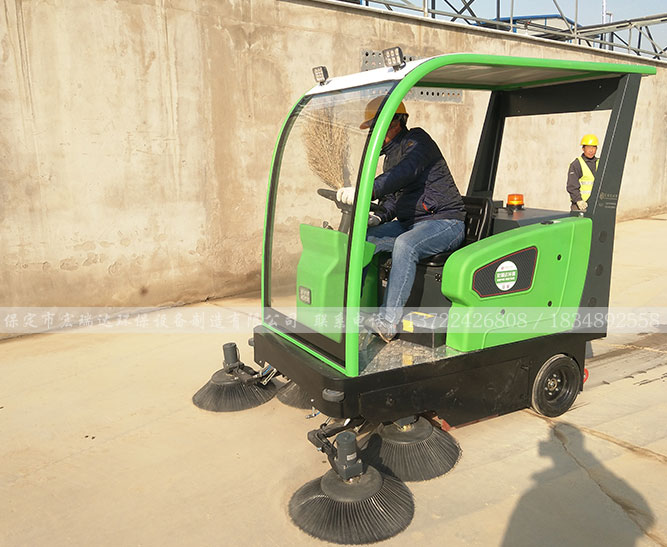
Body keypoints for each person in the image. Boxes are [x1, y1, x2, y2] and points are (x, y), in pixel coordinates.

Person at [336, 97, 465, 342]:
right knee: (365, 239)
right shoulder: (390, 157)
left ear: (396, 122)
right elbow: (395, 198)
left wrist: (366, 190)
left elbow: (405, 172)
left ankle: (387, 322)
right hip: (411, 223)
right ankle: (348, 309)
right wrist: (379, 216)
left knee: (405, 245)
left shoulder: (417, 141)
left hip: (444, 222)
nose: (374, 134)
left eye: (377, 127)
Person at [567, 134, 599, 212]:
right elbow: (572, 185)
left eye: (593, 147)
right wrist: (578, 200)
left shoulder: (600, 163)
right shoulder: (576, 164)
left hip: (597, 204)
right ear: (583, 148)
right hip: (581, 205)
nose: (591, 150)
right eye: (588, 147)